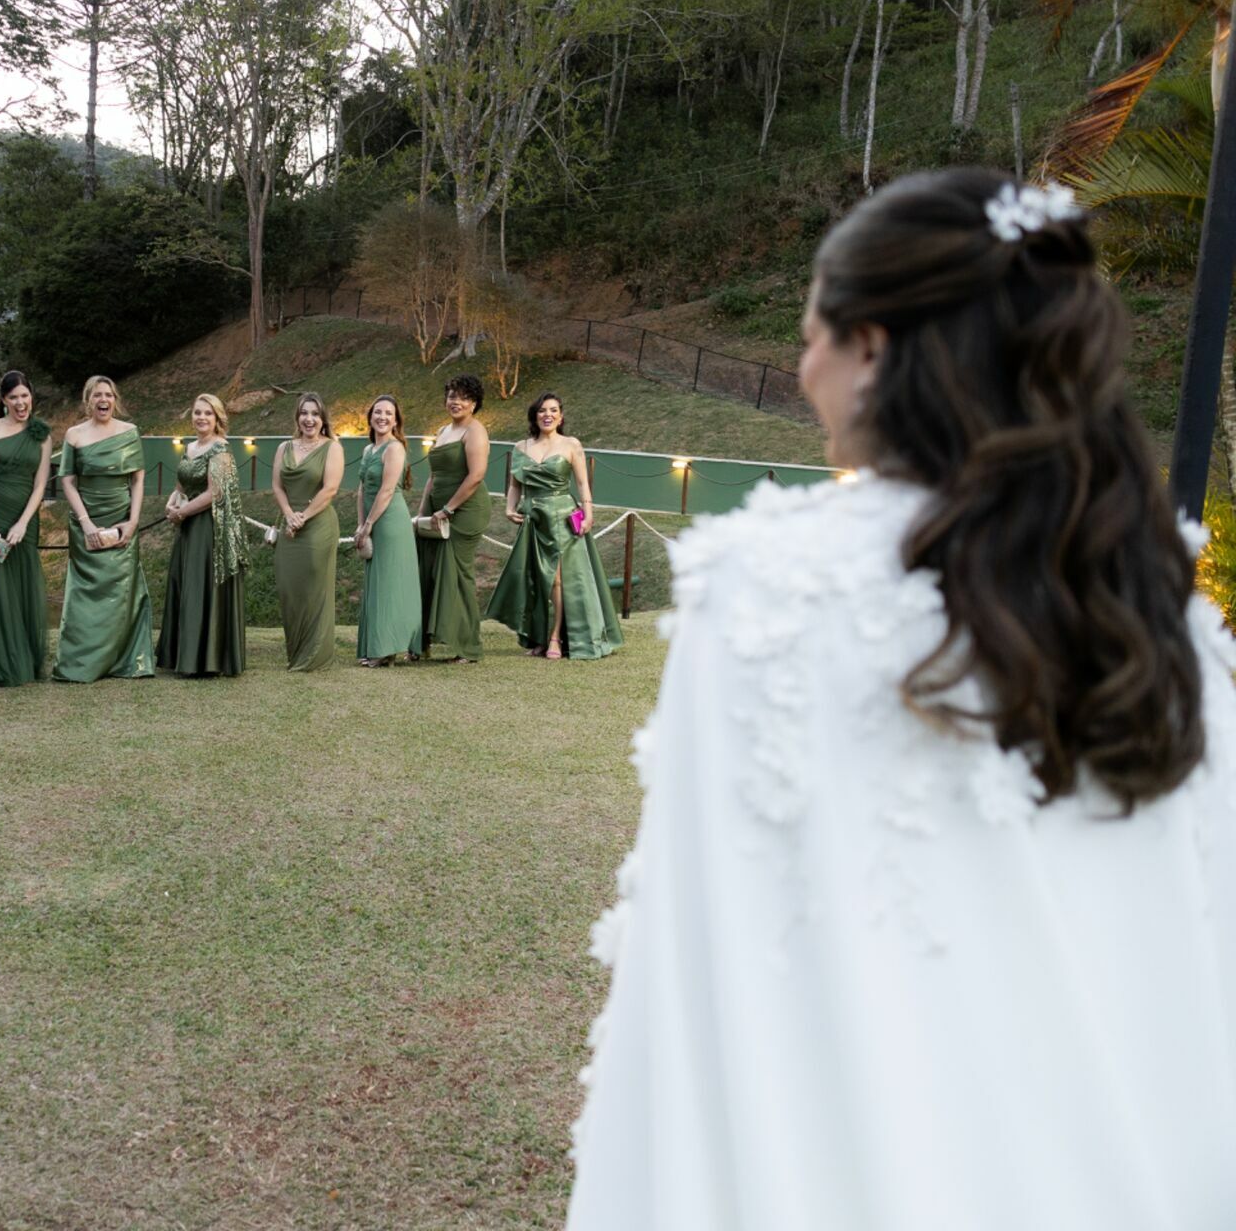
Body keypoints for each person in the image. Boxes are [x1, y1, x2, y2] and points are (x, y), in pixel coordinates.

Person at [567, 169, 1236, 1230]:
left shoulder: (770, 584)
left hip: (841, 1169)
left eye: (809, 339)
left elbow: (698, 977)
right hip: (1123, 1172)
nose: (801, 372)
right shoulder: (1164, 609)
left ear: (873, 347)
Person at [484, 392, 623, 660]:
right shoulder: (520, 447)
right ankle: (537, 636)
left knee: (558, 579)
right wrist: (509, 507)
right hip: (532, 518)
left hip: (561, 518)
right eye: (542, 410)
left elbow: (582, 483)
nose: (547, 414)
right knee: (535, 578)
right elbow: (514, 485)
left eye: (553, 410)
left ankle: (555, 637)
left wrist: (589, 513)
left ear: (560, 416)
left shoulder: (571, 444)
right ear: (534, 416)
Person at [52, 375, 153, 682]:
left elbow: (138, 478)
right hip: (86, 521)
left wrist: (133, 521)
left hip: (122, 520)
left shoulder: (130, 432)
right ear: (88, 400)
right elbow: (67, 480)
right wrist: (86, 524)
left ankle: (124, 661)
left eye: (108, 394)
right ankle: (82, 663)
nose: (103, 400)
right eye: (97, 395)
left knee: (122, 592)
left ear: (115, 399)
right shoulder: (74, 434)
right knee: (84, 596)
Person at [0, 370, 52, 689]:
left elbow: (41, 483)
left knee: (21, 586)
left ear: (32, 397)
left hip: (24, 522)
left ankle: (22, 662)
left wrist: (23, 522)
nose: (20, 402)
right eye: (13, 397)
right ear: (3, 400)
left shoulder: (41, 434)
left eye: (25, 395)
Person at [157, 392, 248, 677]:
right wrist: (172, 503)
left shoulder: (220, 449)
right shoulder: (190, 447)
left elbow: (215, 493)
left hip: (209, 528)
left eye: (208, 413)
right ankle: (184, 655)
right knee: (183, 583)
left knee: (200, 586)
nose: (201, 418)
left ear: (218, 418)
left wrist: (182, 512)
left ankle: (203, 660)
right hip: (187, 527)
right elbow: (181, 485)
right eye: (197, 412)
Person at [414, 374, 490, 661]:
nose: (455, 401)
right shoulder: (443, 430)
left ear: (474, 403)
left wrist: (449, 509)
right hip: (435, 513)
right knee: (431, 572)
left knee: (458, 575)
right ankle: (424, 642)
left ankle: (468, 647)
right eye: (451, 395)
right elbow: (433, 476)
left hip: (465, 511)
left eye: (463, 397)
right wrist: (422, 513)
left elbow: (476, 475)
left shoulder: (476, 431)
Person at [271, 391, 344, 671]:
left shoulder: (332, 448)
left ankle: (314, 656)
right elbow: (277, 486)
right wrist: (289, 515)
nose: (309, 419)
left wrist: (303, 517)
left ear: (323, 418)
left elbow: (331, 489)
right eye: (304, 413)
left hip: (318, 525)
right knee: (290, 589)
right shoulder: (283, 448)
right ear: (297, 417)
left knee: (314, 589)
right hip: (289, 524)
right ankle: (295, 651)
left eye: (315, 414)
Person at [352, 394, 420, 667]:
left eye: (388, 413)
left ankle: (387, 650)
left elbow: (388, 489)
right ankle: (377, 645)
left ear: (396, 420)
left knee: (389, 582)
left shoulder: (395, 449)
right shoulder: (369, 450)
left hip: (390, 521)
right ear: (370, 417)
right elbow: (361, 489)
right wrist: (360, 523)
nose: (382, 417)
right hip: (370, 520)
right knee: (376, 582)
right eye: (377, 412)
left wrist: (369, 525)